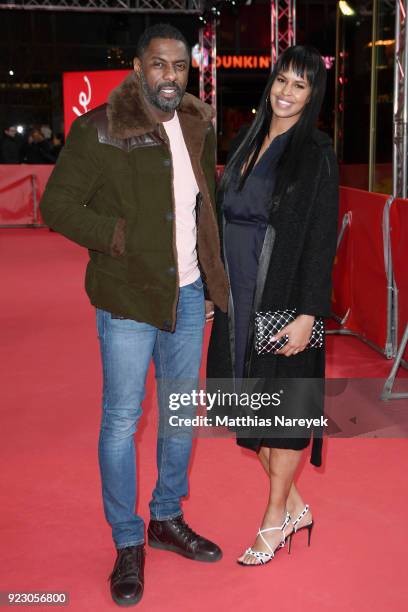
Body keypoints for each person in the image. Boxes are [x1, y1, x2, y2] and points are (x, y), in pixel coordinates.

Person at [40, 23, 228, 607]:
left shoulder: (199, 122)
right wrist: (117, 236)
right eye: (158, 65)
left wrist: (213, 279)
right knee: (122, 422)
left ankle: (166, 517)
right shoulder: (99, 129)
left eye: (179, 66)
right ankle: (127, 541)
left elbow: (205, 206)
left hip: (189, 295)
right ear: (138, 66)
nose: (169, 76)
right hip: (127, 298)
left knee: (178, 415)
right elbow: (56, 206)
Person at [207, 45, 339, 566]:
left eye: (299, 86)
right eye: (281, 80)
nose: (286, 92)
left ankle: (273, 518)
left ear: (313, 95)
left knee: (281, 416)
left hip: (284, 299)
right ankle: (296, 507)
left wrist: (309, 314)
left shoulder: (316, 154)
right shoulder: (247, 138)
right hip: (238, 300)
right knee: (243, 410)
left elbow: (321, 240)